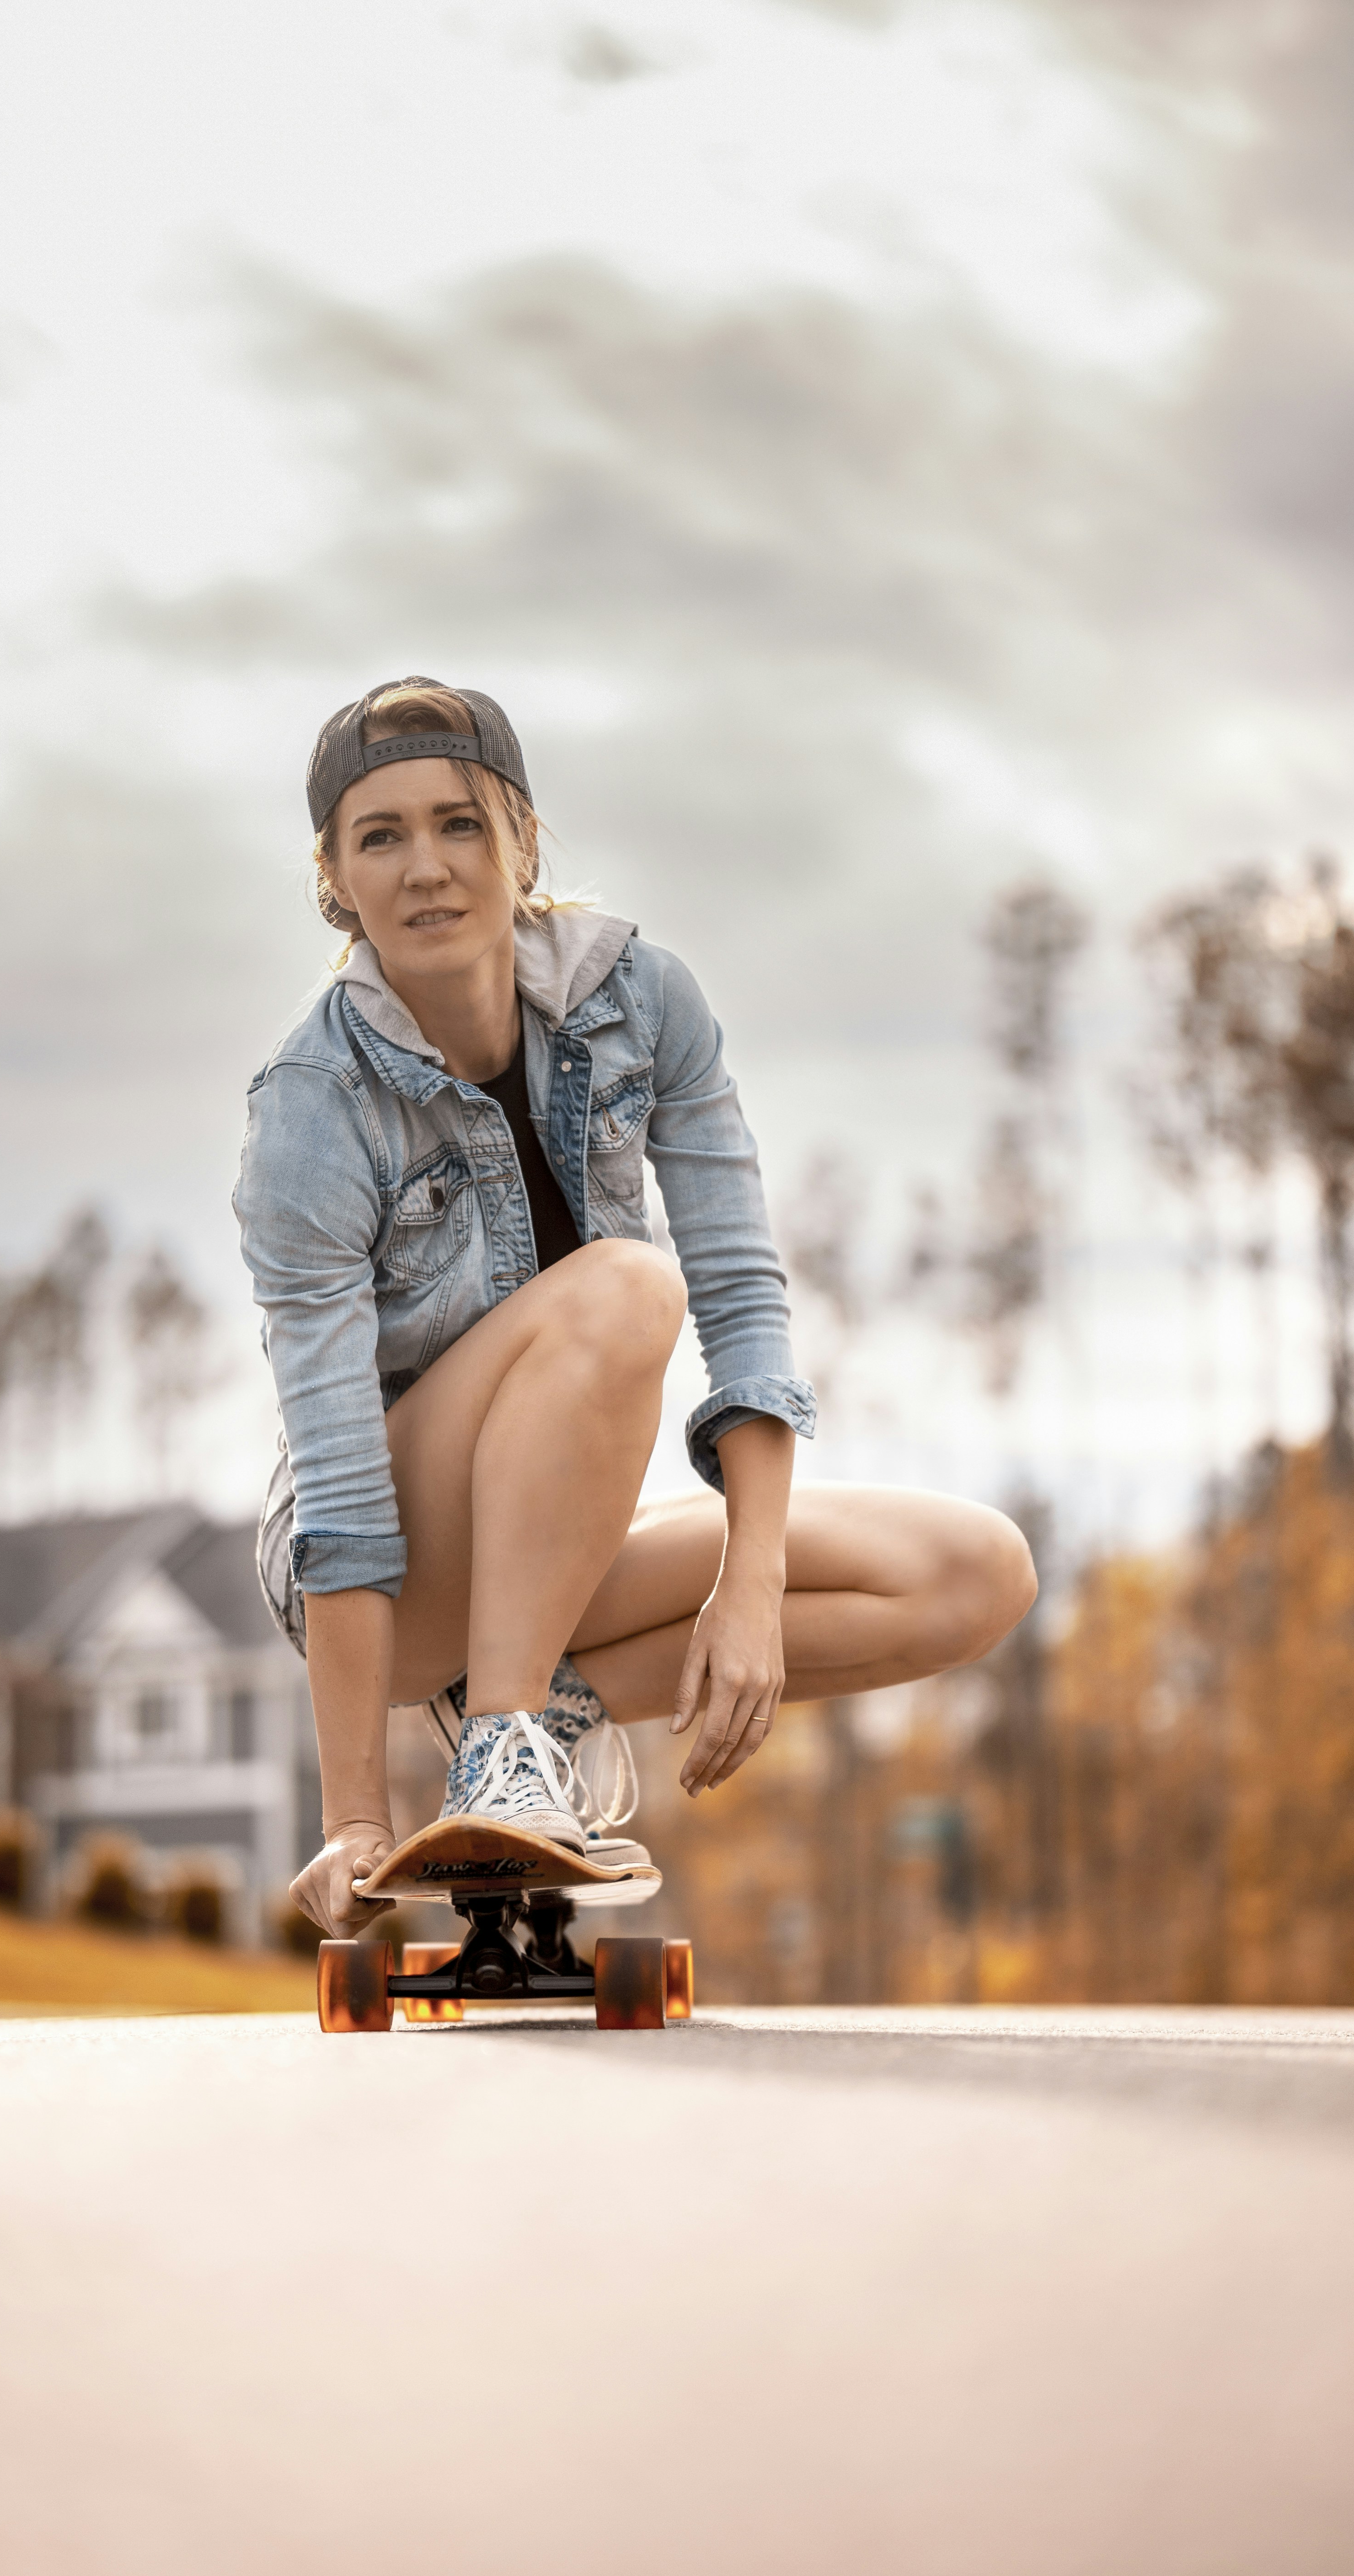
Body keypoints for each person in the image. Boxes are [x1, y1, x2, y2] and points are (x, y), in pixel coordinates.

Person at [235, 678, 1037, 1937]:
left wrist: (751, 1592)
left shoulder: (643, 1003)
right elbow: (338, 1482)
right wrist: (354, 1816)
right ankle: (497, 1741)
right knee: (622, 1289)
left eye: (459, 824)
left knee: (971, 1575)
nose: (427, 867)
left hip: (554, 1543)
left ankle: (542, 1717)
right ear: (335, 878)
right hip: (391, 1578)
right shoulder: (310, 1104)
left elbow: (740, 1291)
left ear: (523, 841)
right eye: (378, 836)